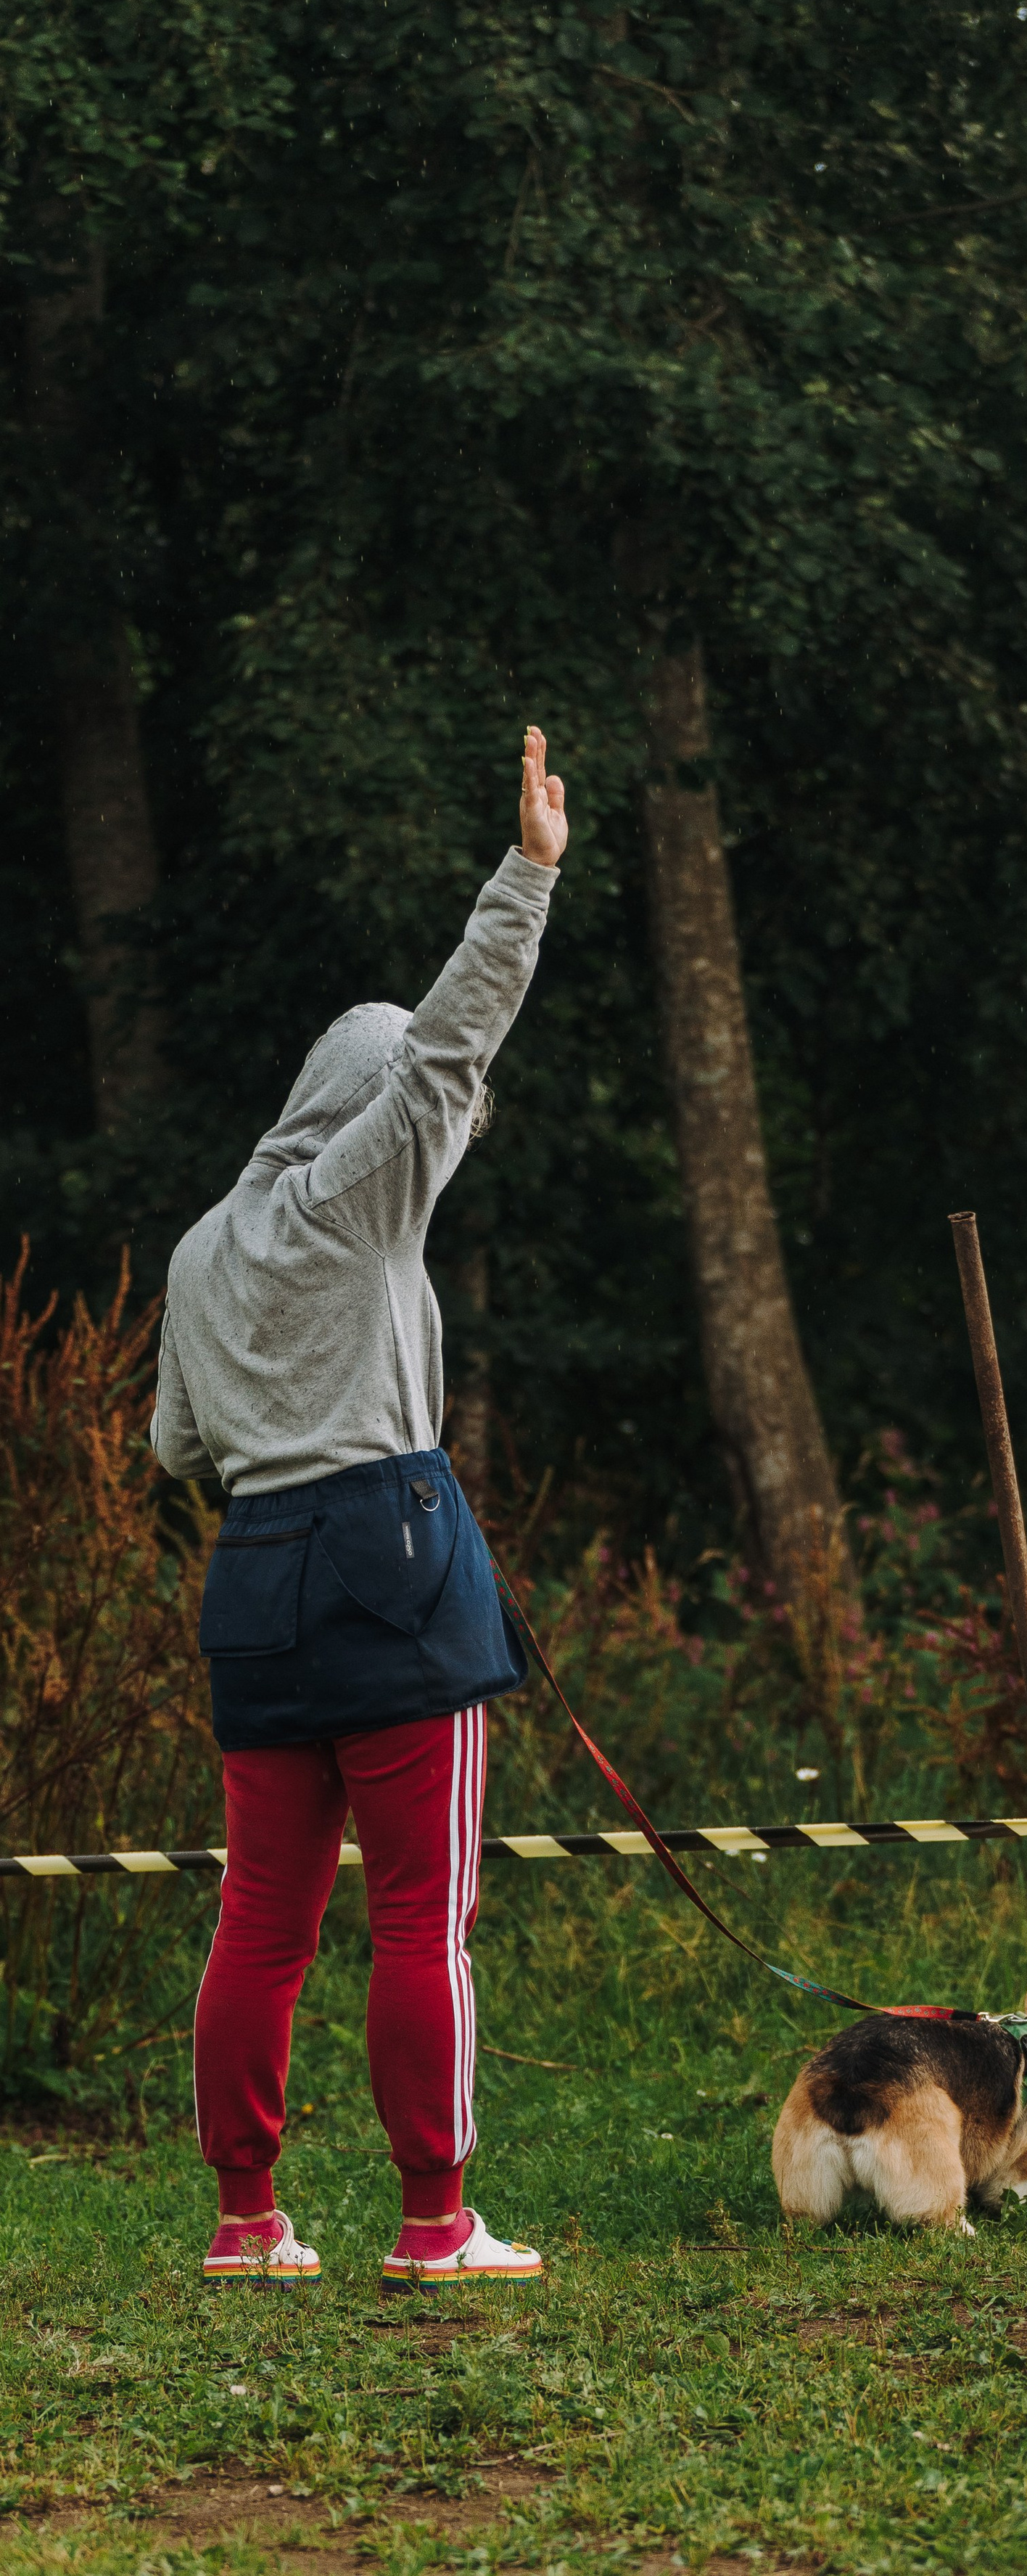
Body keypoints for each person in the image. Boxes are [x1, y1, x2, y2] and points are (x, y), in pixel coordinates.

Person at [153, 727, 569, 2286]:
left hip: (253, 1566)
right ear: (371, 1097)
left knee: (260, 1915)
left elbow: (173, 1437)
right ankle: (433, 2219)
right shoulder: (362, 1181)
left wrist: (276, 1441)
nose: (446, 1130)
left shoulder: (204, 1244)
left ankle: (247, 2221)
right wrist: (526, 874)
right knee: (419, 1917)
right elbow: (453, 1040)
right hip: (387, 1547)